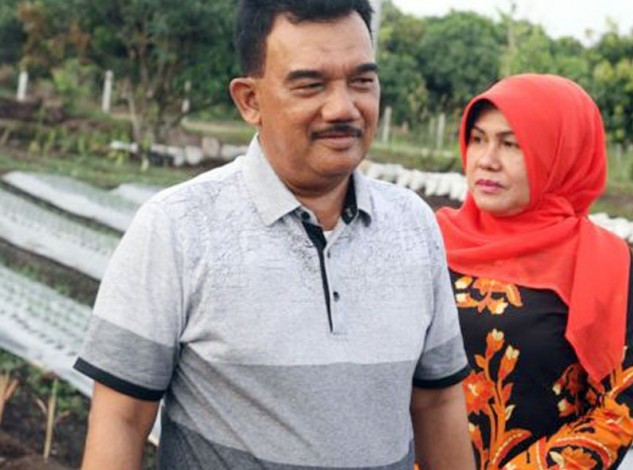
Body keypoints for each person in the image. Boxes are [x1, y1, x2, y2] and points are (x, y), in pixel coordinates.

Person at [74, 0, 475, 468]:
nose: (343, 108)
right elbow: (123, 419)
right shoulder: (177, 228)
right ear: (250, 100)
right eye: (310, 85)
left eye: (362, 81)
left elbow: (436, 402)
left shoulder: (413, 224)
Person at [436, 73, 633, 469]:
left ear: (559, 155)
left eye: (510, 144)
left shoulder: (601, 259)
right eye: (478, 139)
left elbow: (615, 413)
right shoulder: (429, 238)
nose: (486, 160)